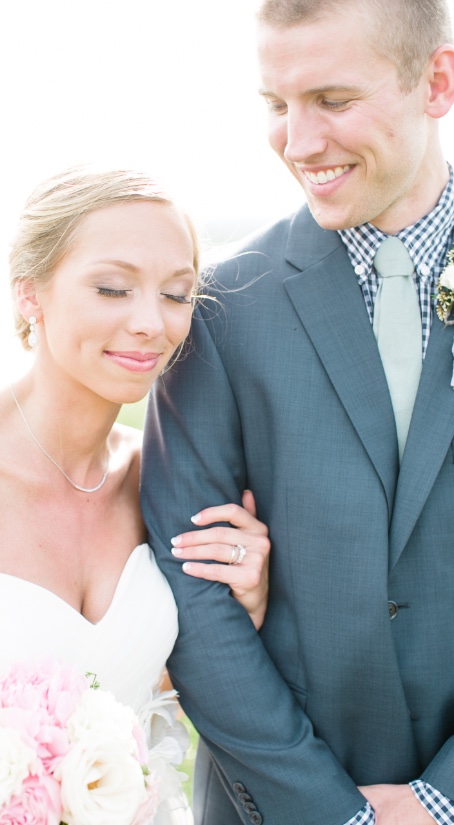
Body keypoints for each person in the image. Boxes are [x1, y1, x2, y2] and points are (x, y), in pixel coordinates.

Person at [141, 1, 454, 823]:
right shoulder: (220, 310)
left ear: (438, 82)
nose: (298, 141)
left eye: (333, 100)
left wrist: (441, 800)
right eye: (276, 105)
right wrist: (329, 812)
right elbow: (192, 587)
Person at [0, 166, 271, 825]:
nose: (150, 323)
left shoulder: (160, 481)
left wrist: (248, 604)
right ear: (29, 295)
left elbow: (137, 697)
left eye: (177, 294)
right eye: (112, 288)